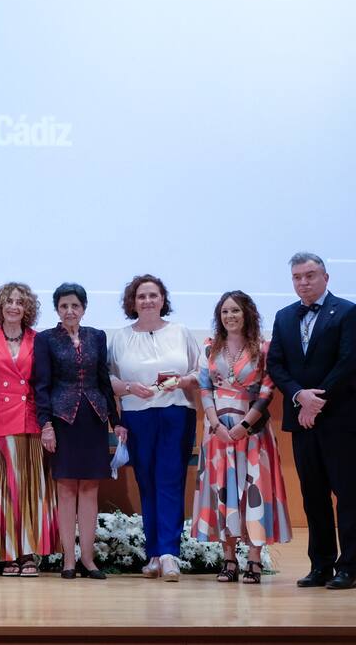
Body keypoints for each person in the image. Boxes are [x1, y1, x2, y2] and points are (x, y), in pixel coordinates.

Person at [267, 252, 356, 590]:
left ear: (325, 277)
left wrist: (316, 402)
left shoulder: (347, 312)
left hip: (340, 419)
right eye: (297, 277)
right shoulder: (284, 316)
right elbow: (276, 365)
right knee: (313, 495)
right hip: (302, 420)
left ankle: (349, 566)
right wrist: (298, 395)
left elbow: (348, 361)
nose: (303, 282)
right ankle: (321, 565)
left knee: (348, 494)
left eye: (310, 275)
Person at [191, 290, 291, 584]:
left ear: (247, 313)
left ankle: (254, 560)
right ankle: (229, 559)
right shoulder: (210, 348)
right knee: (223, 490)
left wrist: (245, 426)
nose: (230, 316)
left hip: (253, 432)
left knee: (253, 491)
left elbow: (267, 391)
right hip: (218, 433)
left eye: (235, 310)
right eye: (224, 311)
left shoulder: (263, 348)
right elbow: (205, 388)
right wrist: (215, 424)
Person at [108, 274, 201, 581]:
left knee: (170, 480)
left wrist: (182, 381)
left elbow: (199, 372)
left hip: (176, 413)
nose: (147, 300)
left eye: (153, 295)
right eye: (141, 296)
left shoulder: (180, 332)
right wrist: (129, 387)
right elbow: (108, 379)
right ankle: (154, 556)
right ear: (132, 302)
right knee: (147, 482)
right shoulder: (120, 337)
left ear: (163, 299)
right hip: (137, 416)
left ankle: (170, 554)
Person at [33, 282, 124, 581]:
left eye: (75, 305)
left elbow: (103, 381)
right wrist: (46, 424)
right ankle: (68, 559)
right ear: (57, 309)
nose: (70, 311)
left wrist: (115, 420)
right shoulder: (45, 339)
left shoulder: (97, 336)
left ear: (84, 308)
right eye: (64, 306)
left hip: (93, 418)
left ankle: (88, 558)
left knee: (89, 488)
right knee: (66, 487)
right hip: (62, 420)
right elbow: (42, 385)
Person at [0, 282, 57, 576]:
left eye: (20, 302)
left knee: (31, 488)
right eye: (8, 301)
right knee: (5, 488)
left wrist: (47, 423)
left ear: (27, 308)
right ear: (0, 305)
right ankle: (7, 553)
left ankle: (27, 553)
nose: (13, 306)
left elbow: (44, 383)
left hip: (30, 420)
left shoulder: (39, 340)